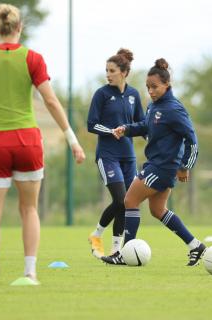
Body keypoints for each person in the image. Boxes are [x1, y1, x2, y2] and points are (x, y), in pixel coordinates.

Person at [0, 3, 85, 285]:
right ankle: (30, 272)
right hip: (28, 141)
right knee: (29, 209)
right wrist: (73, 141)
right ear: (20, 28)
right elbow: (51, 101)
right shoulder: (33, 58)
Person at [101, 58, 205, 266]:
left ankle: (125, 253)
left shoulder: (174, 109)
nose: (151, 91)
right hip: (158, 165)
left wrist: (185, 166)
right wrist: (127, 129)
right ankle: (196, 245)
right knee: (158, 210)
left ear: (167, 85)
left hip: (163, 167)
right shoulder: (154, 106)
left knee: (129, 201)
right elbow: (147, 126)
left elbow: (191, 138)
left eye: (155, 87)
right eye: (148, 87)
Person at [87, 49, 144, 258]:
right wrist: (111, 131)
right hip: (107, 156)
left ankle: (116, 250)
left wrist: (153, 139)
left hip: (128, 157)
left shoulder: (134, 95)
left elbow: (141, 124)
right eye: (106, 70)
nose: (108, 74)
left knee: (128, 202)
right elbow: (91, 124)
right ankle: (96, 234)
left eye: (112, 71)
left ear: (124, 72)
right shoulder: (101, 94)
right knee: (120, 199)